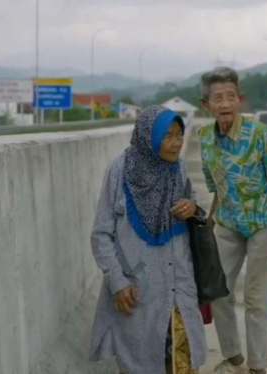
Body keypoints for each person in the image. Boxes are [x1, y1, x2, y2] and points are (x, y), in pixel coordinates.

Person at [89, 106, 207, 374]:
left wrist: (191, 206)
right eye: (168, 136)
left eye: (180, 135)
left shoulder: (178, 168)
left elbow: (192, 201)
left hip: (179, 287)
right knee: (142, 363)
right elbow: (101, 234)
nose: (177, 143)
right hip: (139, 291)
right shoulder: (120, 171)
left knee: (182, 363)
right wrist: (118, 283)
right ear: (148, 136)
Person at [198, 67, 267, 374]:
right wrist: (211, 222)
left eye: (231, 96)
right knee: (217, 291)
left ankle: (257, 367)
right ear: (206, 105)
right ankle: (234, 358)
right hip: (228, 223)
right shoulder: (205, 140)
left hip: (263, 224)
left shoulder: (259, 134)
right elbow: (217, 187)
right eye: (218, 98)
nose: (225, 103)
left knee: (255, 298)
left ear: (240, 100)